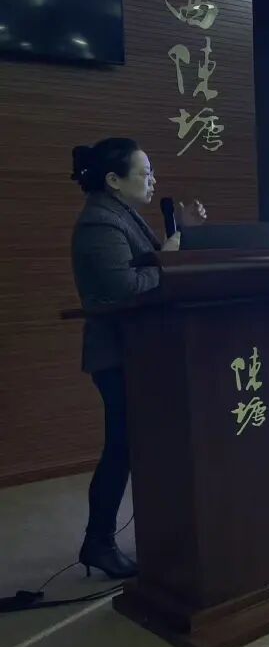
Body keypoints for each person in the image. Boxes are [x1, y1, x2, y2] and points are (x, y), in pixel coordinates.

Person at [69, 137, 206, 578]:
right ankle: (98, 541)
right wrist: (168, 258)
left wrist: (181, 236)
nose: (153, 180)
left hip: (144, 351)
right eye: (144, 173)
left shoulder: (121, 214)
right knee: (122, 447)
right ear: (114, 180)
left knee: (141, 444)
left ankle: (149, 532)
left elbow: (152, 267)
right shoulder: (99, 223)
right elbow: (126, 287)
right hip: (117, 354)